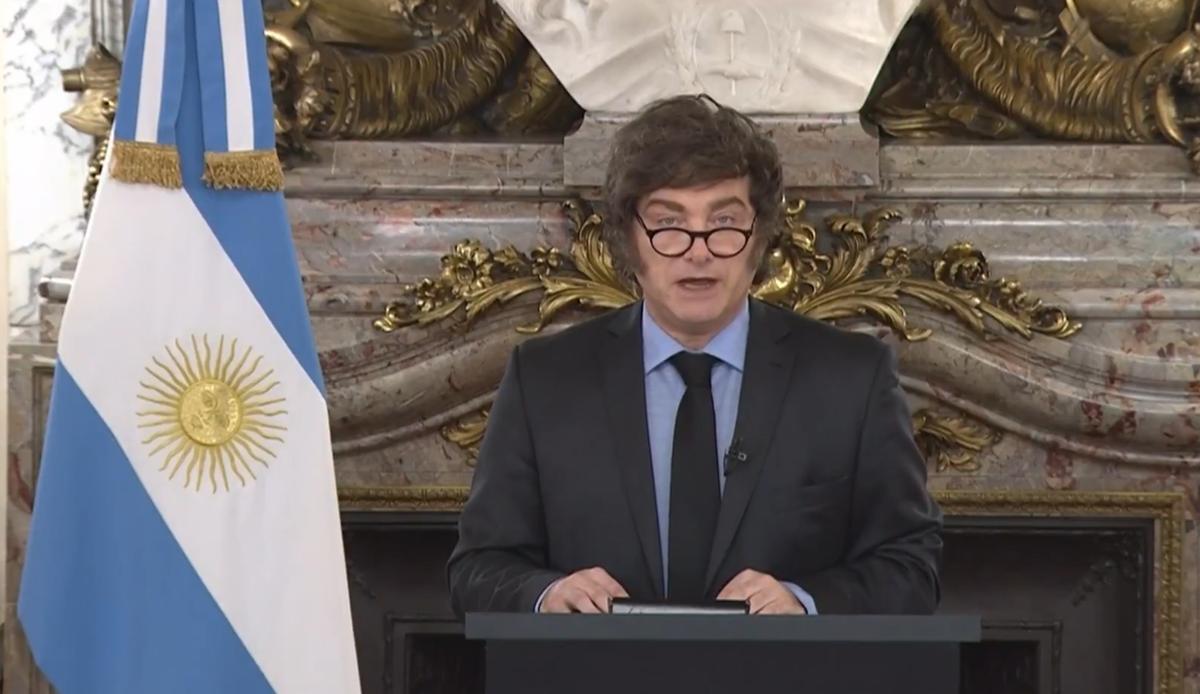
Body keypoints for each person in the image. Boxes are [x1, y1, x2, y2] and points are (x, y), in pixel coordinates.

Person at [447, 94, 942, 616]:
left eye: (724, 222)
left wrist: (803, 604)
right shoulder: (544, 380)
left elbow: (913, 565)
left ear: (759, 236)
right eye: (669, 224)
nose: (699, 250)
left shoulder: (852, 378)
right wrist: (548, 595)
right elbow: (478, 569)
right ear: (628, 238)